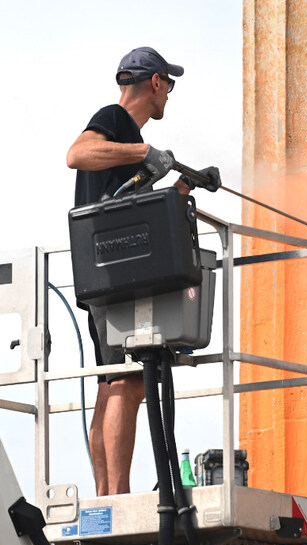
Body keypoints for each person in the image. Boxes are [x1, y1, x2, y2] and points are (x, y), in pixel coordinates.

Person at [66, 47, 220, 496]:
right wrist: (145, 150)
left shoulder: (127, 146)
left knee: (110, 383)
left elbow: (132, 202)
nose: (169, 95)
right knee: (129, 382)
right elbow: (76, 154)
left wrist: (184, 185)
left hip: (109, 272)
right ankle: (115, 497)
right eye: (168, 86)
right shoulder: (115, 121)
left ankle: (105, 494)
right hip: (114, 274)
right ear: (155, 82)